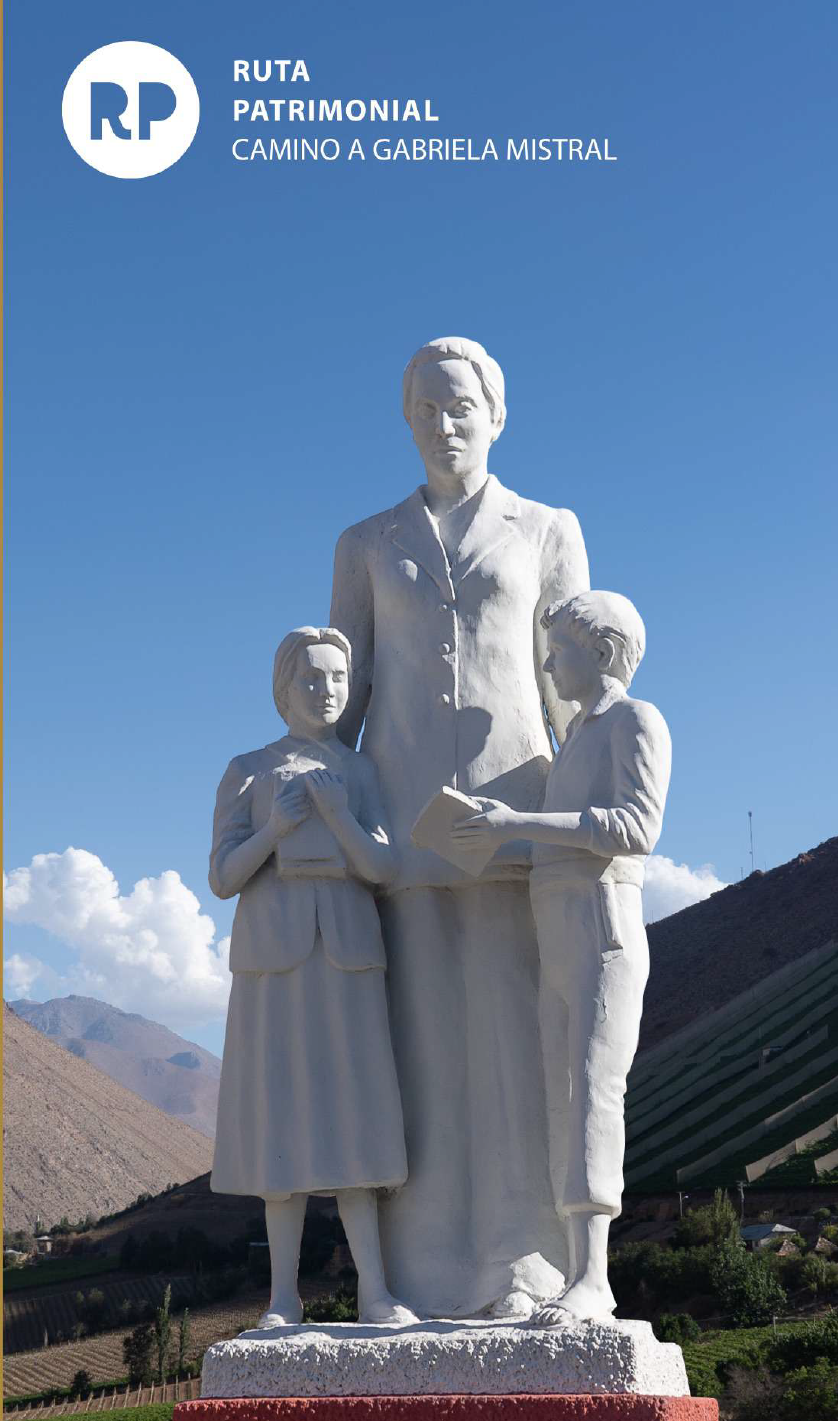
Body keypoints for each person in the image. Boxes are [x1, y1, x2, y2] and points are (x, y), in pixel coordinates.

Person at [331, 336, 590, 1317]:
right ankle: (421, 1266)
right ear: (407, 421)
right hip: (398, 821)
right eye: (427, 409)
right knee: (419, 1045)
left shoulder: (547, 528)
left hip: (516, 811)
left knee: (517, 1041)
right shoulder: (365, 542)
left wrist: (595, 805)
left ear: (497, 415)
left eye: (461, 407)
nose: (445, 425)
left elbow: (574, 684)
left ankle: (524, 1262)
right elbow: (342, 693)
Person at [454, 591, 671, 1322]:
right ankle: (578, 1268)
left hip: (601, 924)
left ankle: (594, 1278)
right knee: (561, 1095)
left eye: (561, 652)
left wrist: (518, 821)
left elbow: (634, 827)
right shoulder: (576, 734)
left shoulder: (635, 721)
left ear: (603, 652)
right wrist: (494, 838)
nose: (549, 666)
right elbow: (563, 834)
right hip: (558, 927)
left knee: (592, 1092)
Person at [208, 626, 417, 1329]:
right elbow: (222, 876)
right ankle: (282, 1298)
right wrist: (275, 828)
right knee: (283, 1119)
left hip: (348, 954)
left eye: (336, 678)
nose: (326, 691)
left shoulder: (360, 772)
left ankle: (374, 1290)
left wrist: (338, 816)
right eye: (311, 678)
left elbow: (383, 866)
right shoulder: (248, 769)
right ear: (284, 687)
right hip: (274, 959)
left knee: (356, 1115)